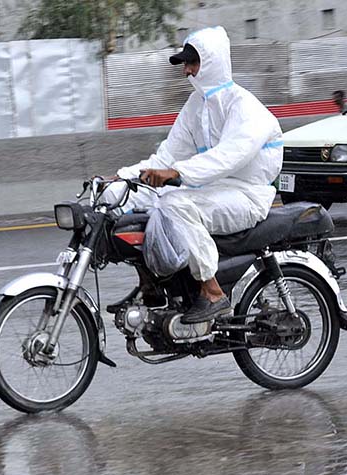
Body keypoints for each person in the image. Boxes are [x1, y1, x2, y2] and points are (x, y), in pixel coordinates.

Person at [102, 26, 283, 324]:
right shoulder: (196, 106)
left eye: (192, 62)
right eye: (186, 64)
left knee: (174, 204)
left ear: (212, 63)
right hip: (210, 189)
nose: (186, 70)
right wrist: (123, 179)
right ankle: (151, 285)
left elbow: (227, 158)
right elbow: (166, 156)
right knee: (137, 201)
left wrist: (177, 173)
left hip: (247, 194)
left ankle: (212, 293)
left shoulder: (246, 108)